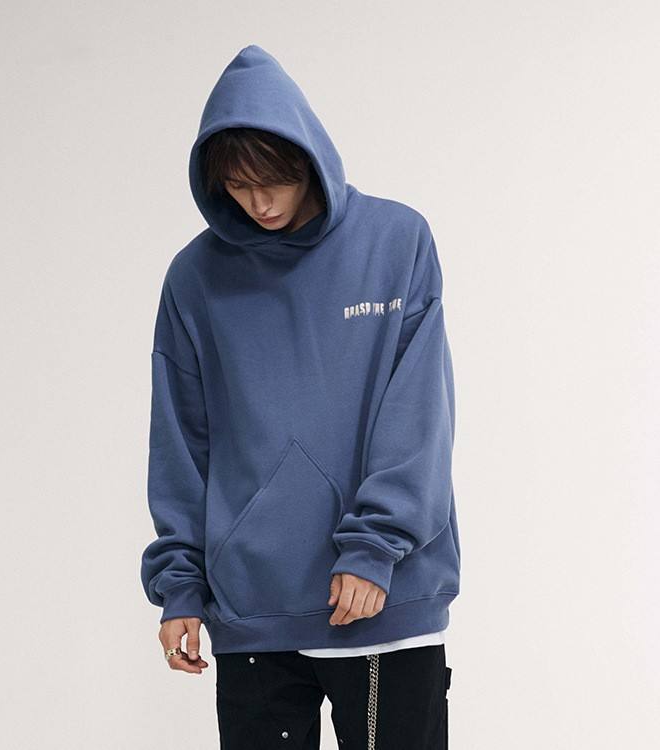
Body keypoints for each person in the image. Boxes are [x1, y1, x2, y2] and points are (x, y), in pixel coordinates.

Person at [140, 44, 461, 749]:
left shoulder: (396, 241)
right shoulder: (194, 279)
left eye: (273, 182)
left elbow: (420, 415)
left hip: (383, 603)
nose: (259, 203)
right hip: (253, 609)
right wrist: (179, 586)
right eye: (237, 186)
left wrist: (374, 549)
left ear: (309, 159)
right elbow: (182, 440)